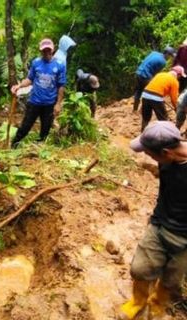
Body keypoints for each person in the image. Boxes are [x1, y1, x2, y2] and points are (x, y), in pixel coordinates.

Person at [121, 121, 187, 319]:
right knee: (139, 269)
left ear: (166, 152)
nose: (148, 158)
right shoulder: (166, 160)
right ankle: (138, 301)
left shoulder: (167, 157)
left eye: (149, 154)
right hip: (161, 224)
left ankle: (158, 302)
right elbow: (165, 190)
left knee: (171, 280)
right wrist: (155, 217)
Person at [10, 38, 66, 148]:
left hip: (49, 103)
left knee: (45, 128)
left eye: (48, 50)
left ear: (52, 50)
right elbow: (30, 79)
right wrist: (19, 86)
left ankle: (39, 148)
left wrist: (58, 103)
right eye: (44, 51)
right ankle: (14, 145)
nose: (46, 53)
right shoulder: (36, 63)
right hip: (34, 101)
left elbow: (61, 86)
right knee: (25, 126)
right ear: (41, 51)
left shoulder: (60, 65)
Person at [140, 66, 185, 131]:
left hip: (145, 95)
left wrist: (160, 97)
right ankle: (165, 137)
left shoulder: (160, 74)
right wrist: (176, 108)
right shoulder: (174, 81)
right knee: (163, 119)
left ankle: (142, 133)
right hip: (156, 97)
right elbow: (174, 98)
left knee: (146, 118)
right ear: (178, 75)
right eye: (180, 76)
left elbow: (155, 86)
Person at [133, 47, 176, 112]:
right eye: (170, 56)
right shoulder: (162, 62)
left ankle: (135, 109)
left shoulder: (154, 53)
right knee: (151, 92)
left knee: (139, 91)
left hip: (138, 73)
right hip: (146, 76)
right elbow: (155, 74)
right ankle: (142, 110)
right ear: (167, 54)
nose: (170, 58)